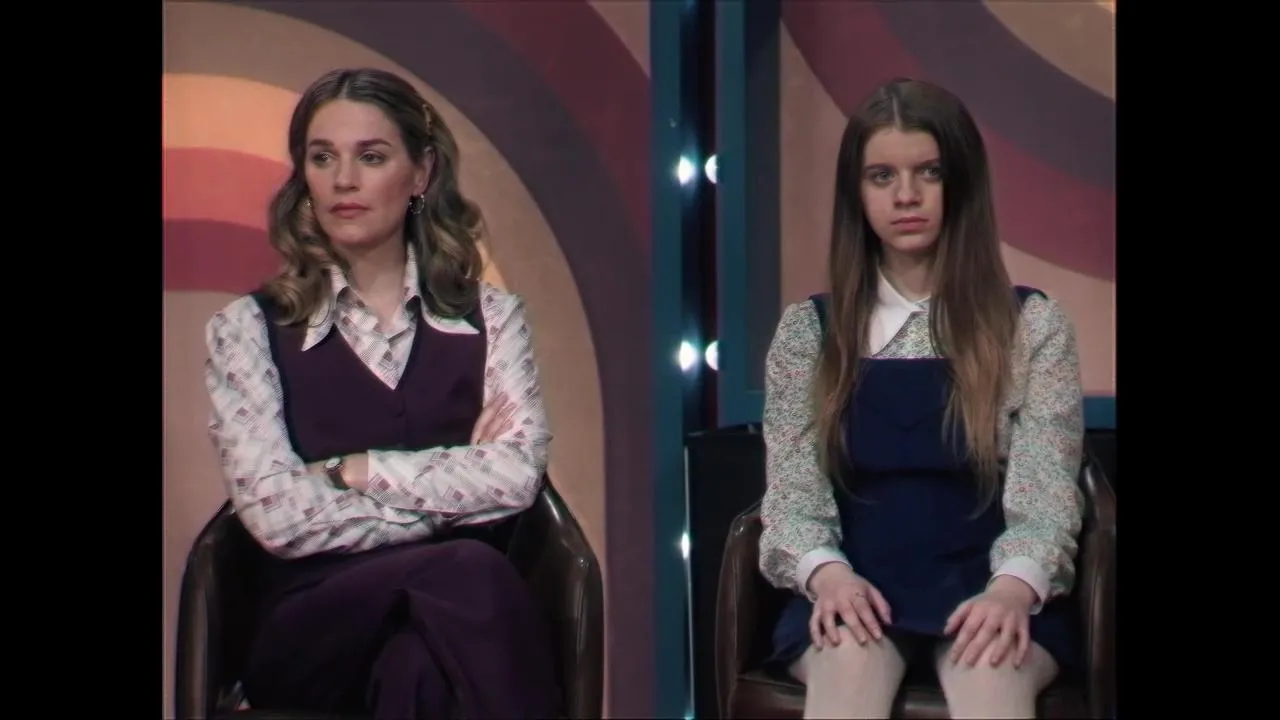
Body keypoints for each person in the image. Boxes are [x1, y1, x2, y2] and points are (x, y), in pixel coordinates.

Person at [202, 67, 561, 719]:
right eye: (323, 158)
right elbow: (279, 515)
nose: (343, 180)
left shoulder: (494, 319)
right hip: (310, 625)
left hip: (446, 628)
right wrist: (450, 505)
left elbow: (514, 476)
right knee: (470, 569)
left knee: (417, 668)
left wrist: (355, 471)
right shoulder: (245, 330)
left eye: (370, 157)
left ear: (420, 173)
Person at [759, 78, 1085, 719]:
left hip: (990, 584)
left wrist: (1013, 590)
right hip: (852, 582)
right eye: (881, 176)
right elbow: (793, 497)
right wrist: (829, 576)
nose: (905, 196)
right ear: (856, 193)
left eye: (928, 173)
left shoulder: (1030, 327)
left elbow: (1046, 497)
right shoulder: (809, 334)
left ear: (961, 182)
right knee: (849, 664)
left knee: (990, 669)